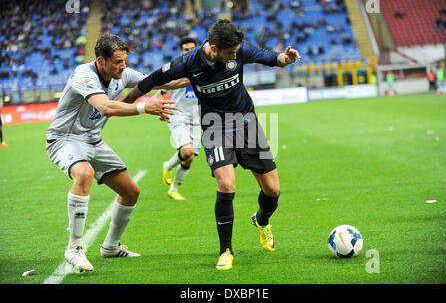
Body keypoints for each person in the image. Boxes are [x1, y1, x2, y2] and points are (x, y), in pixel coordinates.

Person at [122, 19, 301, 270]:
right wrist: (126, 103)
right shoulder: (188, 62)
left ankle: (261, 220)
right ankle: (226, 250)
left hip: (247, 123)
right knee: (226, 184)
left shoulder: (238, 50)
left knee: (273, 190)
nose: (235, 56)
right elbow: (151, 80)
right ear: (214, 49)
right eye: (230, 53)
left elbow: (270, 58)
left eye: (237, 52)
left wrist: (286, 58)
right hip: (214, 126)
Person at [46, 34, 181, 272]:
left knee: (130, 191)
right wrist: (144, 107)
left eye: (125, 61)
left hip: (93, 141)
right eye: (118, 62)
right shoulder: (83, 75)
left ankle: (110, 247)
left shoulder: (123, 74)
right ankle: (74, 249)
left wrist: (203, 74)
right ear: (101, 61)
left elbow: (165, 82)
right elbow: (106, 107)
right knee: (84, 174)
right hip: (64, 139)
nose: (124, 66)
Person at [162, 37, 201, 201]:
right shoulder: (176, 67)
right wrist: (160, 106)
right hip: (178, 114)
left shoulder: (204, 67)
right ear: (181, 51)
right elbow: (162, 88)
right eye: (186, 49)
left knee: (189, 157)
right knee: (187, 151)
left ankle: (173, 189)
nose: (189, 51)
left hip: (197, 117)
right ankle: (168, 166)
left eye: (192, 48)